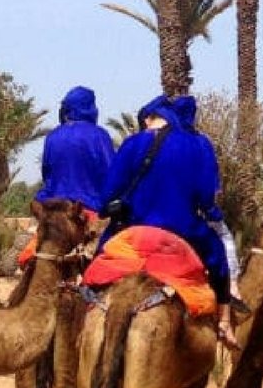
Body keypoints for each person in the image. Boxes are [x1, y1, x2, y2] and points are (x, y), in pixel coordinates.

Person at [100, 95, 239, 347]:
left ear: (150, 117)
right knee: (218, 258)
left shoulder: (132, 143)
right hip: (183, 229)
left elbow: (109, 194)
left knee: (98, 259)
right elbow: (206, 196)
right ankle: (224, 322)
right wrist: (210, 212)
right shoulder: (199, 145)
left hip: (135, 229)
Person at [171, 95, 243, 305]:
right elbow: (209, 185)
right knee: (225, 240)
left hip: (158, 214)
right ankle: (232, 290)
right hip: (193, 216)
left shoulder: (159, 141)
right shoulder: (201, 143)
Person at [35, 86, 115, 214]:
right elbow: (111, 174)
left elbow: (47, 173)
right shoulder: (100, 135)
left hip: (56, 208)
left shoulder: (52, 136)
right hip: (91, 208)